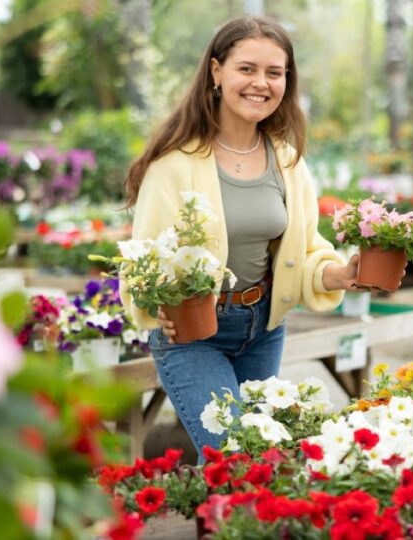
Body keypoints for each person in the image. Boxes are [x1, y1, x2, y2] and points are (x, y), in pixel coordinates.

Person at [121, 16, 360, 457]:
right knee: (233, 451)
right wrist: (156, 304)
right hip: (193, 333)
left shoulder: (287, 161)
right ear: (217, 72)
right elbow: (144, 261)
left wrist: (341, 274)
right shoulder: (174, 165)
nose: (261, 83)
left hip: (264, 327)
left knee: (252, 462)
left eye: (275, 73)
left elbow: (305, 252)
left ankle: (216, 524)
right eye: (246, 69)